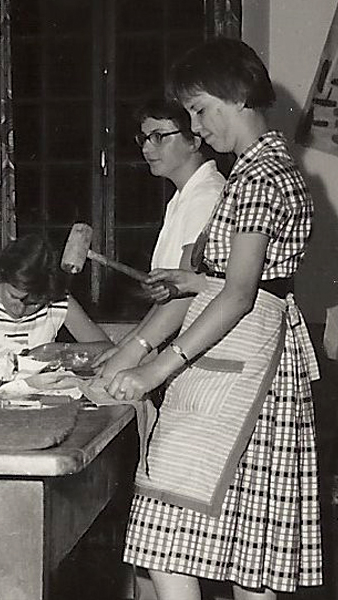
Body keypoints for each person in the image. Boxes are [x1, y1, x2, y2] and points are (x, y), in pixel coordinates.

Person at [101, 39, 321, 600]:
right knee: (250, 553)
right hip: (253, 359)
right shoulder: (260, 169)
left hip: (245, 368)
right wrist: (194, 282)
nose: (196, 128)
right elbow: (256, 280)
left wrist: (155, 369)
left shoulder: (258, 178)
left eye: (200, 110)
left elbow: (242, 294)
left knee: (165, 532)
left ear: (237, 95)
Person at [94, 98, 225, 380]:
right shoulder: (184, 196)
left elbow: (186, 295)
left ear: (194, 140)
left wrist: (136, 350)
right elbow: (170, 296)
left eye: (159, 137)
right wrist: (124, 346)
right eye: (144, 138)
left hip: (203, 357)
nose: (146, 148)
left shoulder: (206, 196)